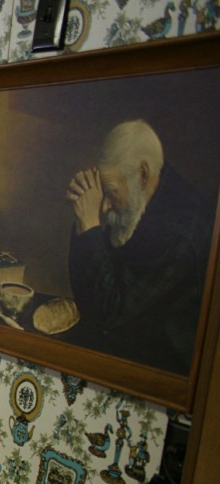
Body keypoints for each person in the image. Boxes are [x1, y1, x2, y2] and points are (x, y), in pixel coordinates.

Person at [65, 119, 213, 375]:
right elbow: (89, 296)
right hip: (120, 343)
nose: (105, 206)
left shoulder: (177, 236)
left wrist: (89, 226)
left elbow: (111, 317)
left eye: (110, 192)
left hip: (158, 367)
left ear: (142, 174)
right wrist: (82, 224)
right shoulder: (136, 195)